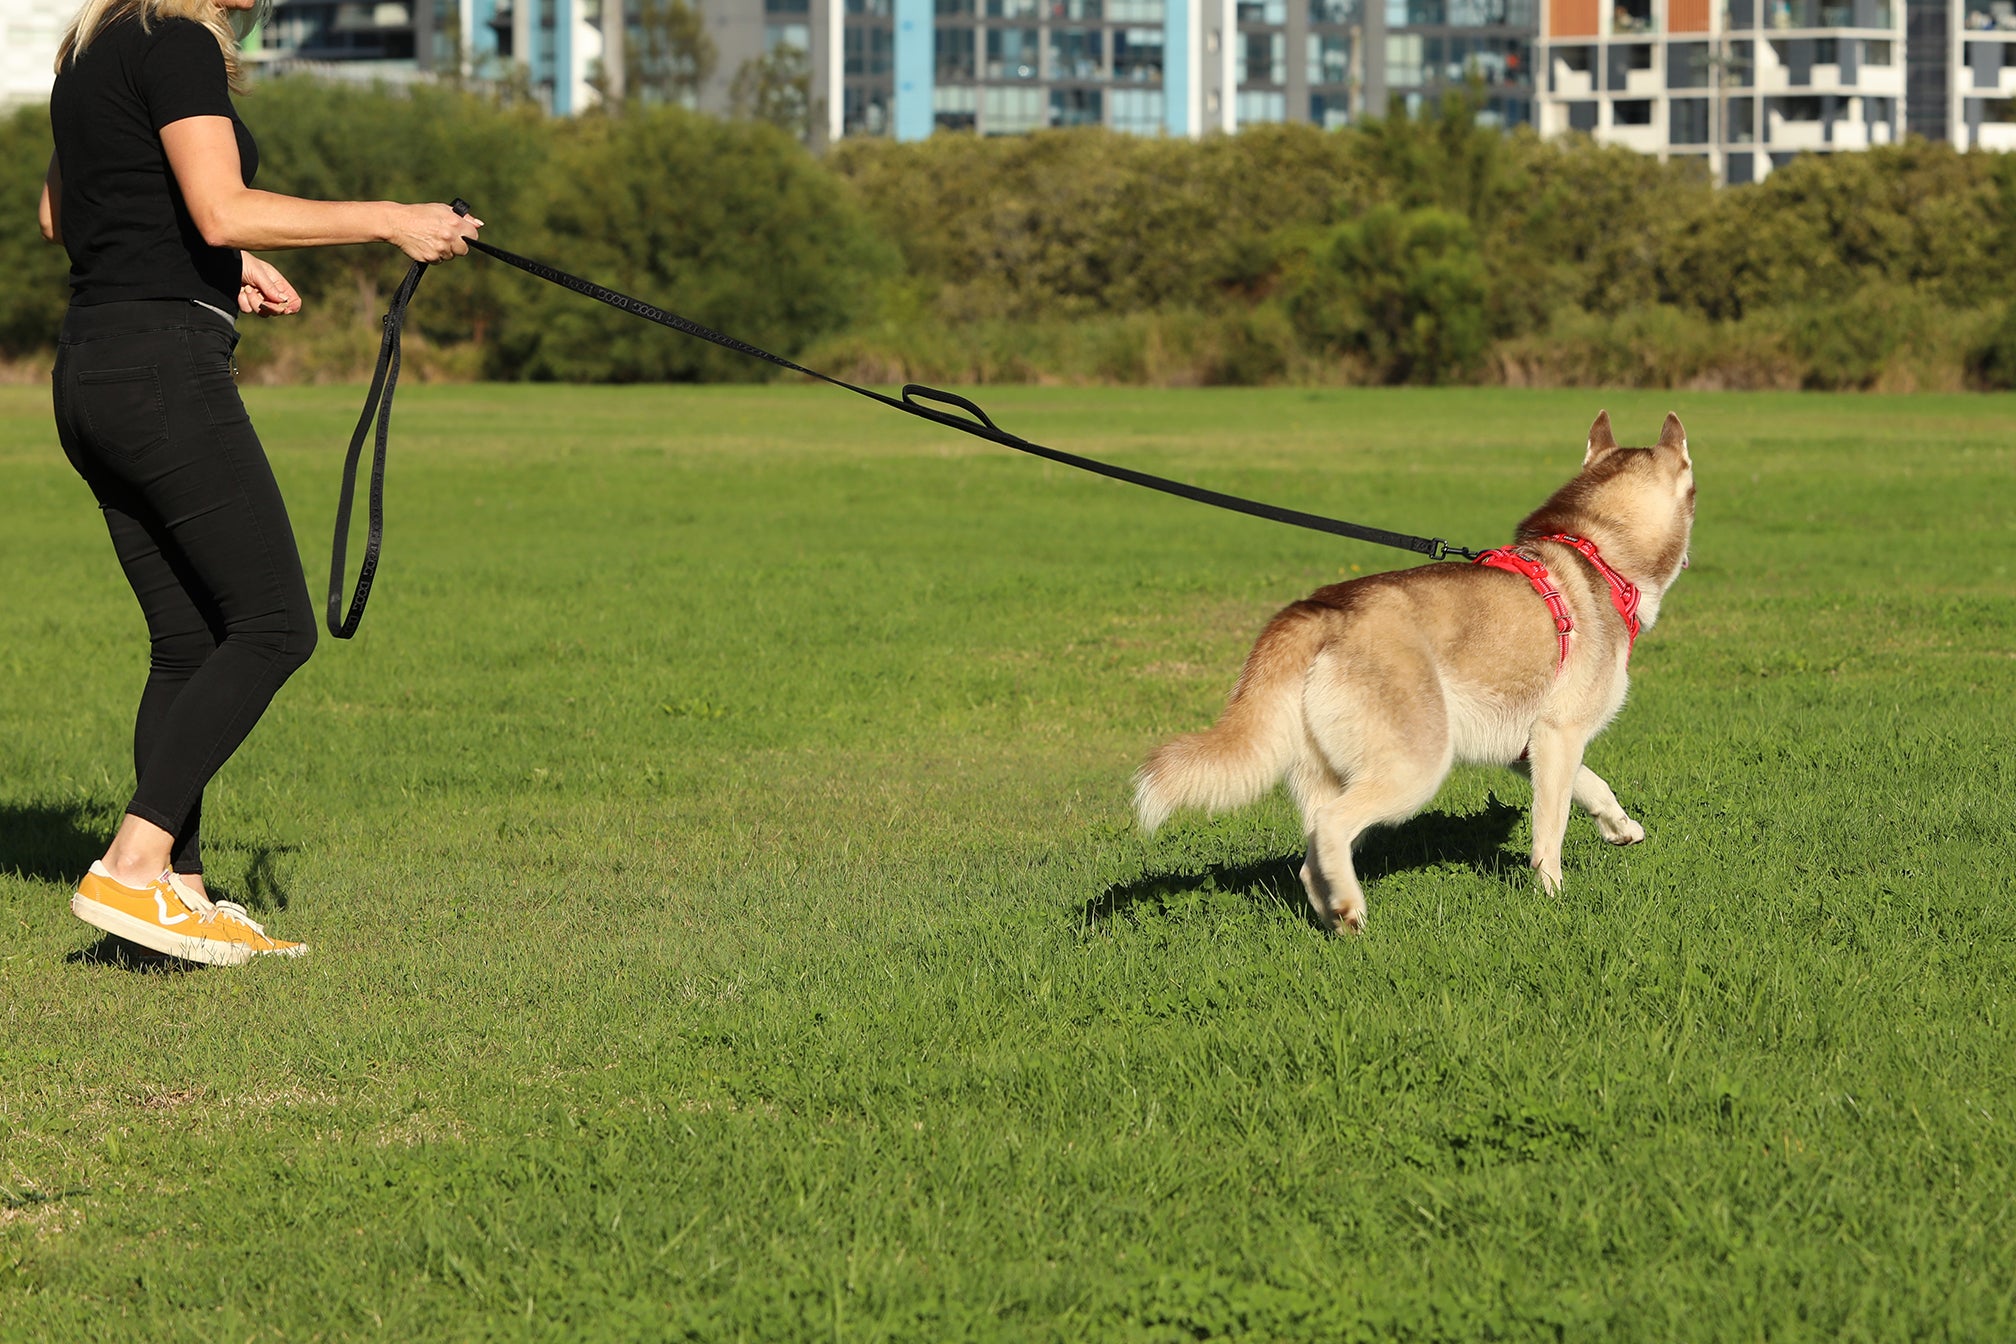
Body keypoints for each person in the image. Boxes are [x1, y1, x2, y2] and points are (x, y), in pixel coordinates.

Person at [40, 0, 481, 965]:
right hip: (161, 368)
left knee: (187, 641)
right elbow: (219, 204)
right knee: (274, 624)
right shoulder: (181, 40)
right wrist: (390, 221)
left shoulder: (90, 50)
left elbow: (62, 215)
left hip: (91, 369)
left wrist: (222, 264)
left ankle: (171, 897)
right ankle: (131, 860)